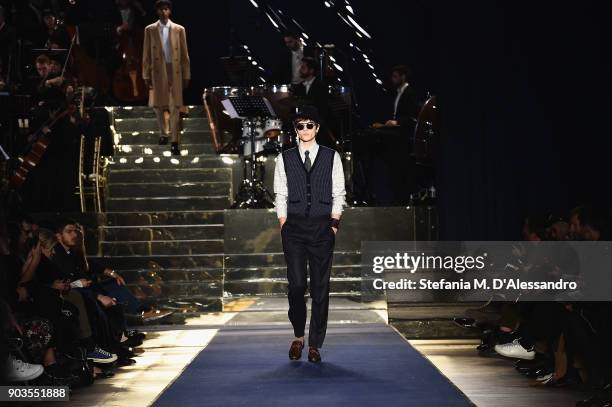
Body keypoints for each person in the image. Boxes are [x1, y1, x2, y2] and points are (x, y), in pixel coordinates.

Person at [273, 106, 346, 363]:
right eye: (300, 126)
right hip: (293, 229)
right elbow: (280, 193)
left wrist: (334, 223)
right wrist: (283, 222)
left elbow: (339, 192)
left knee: (320, 288)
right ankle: (298, 336)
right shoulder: (284, 158)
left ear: (317, 128)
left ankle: (314, 343)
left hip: (321, 228)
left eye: (309, 125)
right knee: (296, 286)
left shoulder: (331, 157)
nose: (305, 130)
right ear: (295, 129)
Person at [142, 0, 190, 156]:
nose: (164, 12)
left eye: (166, 9)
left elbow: (184, 54)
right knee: (158, 105)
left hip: (174, 70)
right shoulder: (150, 30)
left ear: (170, 11)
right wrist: (145, 74)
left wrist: (186, 74)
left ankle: (175, 141)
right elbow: (146, 54)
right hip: (157, 70)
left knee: (175, 106)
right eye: (161, 9)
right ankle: (163, 133)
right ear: (157, 12)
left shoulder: (179, 29)